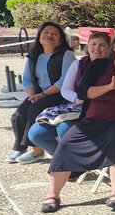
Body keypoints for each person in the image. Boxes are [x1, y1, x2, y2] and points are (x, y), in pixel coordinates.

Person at [41, 31, 115, 213]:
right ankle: (52, 195)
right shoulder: (99, 65)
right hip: (93, 119)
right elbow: (83, 93)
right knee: (67, 143)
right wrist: (110, 87)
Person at [27, 32, 111, 155]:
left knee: (65, 128)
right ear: (87, 46)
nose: (97, 48)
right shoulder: (79, 64)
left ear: (109, 49)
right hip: (75, 108)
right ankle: (63, 159)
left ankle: (72, 164)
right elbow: (65, 89)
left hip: (97, 112)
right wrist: (77, 98)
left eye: (102, 45)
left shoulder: (112, 66)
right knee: (35, 134)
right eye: (93, 44)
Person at [9, 22, 77, 164]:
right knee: (19, 114)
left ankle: (36, 151)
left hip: (61, 94)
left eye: (54, 33)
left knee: (34, 110)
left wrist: (41, 95)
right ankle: (19, 147)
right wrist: (32, 95)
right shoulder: (34, 56)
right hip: (39, 94)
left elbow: (64, 81)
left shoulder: (66, 55)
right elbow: (27, 80)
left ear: (60, 39)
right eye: (46, 32)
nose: (49, 35)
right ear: (39, 36)